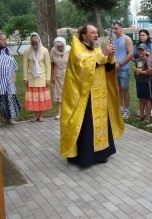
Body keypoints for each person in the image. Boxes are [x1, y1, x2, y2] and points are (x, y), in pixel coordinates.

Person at [60, 24, 124, 167]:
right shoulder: (77, 50)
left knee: (101, 123)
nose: (96, 35)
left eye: (96, 32)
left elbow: (108, 68)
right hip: (85, 97)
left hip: (100, 95)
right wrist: (103, 54)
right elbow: (84, 68)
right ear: (84, 36)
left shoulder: (96, 49)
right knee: (87, 125)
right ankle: (84, 156)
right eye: (93, 33)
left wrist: (110, 56)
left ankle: (101, 154)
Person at [23, 32, 52, 122]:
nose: (35, 46)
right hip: (31, 77)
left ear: (39, 42)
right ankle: (35, 115)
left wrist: (48, 79)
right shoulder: (27, 51)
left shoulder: (45, 51)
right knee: (33, 98)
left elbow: (48, 66)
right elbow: (24, 65)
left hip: (42, 78)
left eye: (36, 44)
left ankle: (41, 115)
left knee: (41, 97)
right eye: (33, 44)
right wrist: (25, 78)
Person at [113, 19, 133, 119]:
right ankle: (120, 108)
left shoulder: (127, 39)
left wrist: (120, 64)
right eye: (113, 28)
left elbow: (130, 54)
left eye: (116, 28)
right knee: (118, 89)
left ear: (121, 27)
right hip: (115, 68)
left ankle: (127, 109)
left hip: (123, 68)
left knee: (125, 89)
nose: (115, 30)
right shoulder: (114, 39)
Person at [50, 36, 71, 120]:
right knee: (59, 94)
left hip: (68, 74)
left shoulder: (69, 50)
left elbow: (73, 62)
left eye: (61, 46)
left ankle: (68, 111)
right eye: (58, 47)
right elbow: (52, 64)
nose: (60, 48)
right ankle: (59, 111)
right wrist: (52, 75)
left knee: (68, 93)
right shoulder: (53, 51)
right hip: (58, 74)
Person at [132, 44, 152, 122]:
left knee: (147, 99)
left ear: (146, 51)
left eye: (142, 50)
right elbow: (136, 69)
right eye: (139, 50)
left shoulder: (147, 60)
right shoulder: (137, 60)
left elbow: (148, 72)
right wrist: (134, 69)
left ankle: (148, 117)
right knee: (140, 99)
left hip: (146, 82)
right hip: (138, 81)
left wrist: (139, 71)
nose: (141, 52)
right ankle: (141, 116)